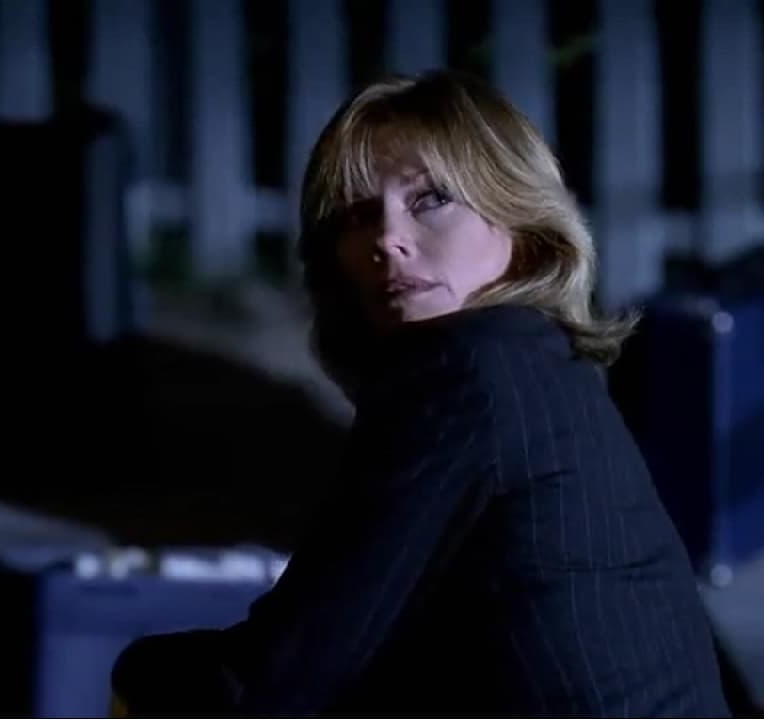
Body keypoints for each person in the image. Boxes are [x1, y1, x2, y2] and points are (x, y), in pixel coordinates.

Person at [109, 69, 732, 717]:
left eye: (430, 200)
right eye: (358, 214)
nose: (387, 238)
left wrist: (135, 674)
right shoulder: (535, 362)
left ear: (519, 225)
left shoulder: (470, 372)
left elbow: (281, 676)